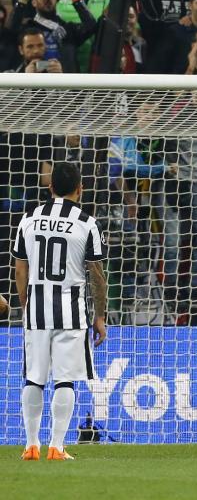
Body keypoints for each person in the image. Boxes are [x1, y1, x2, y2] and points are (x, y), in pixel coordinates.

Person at [12, 162, 108, 461]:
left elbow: (20, 265)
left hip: (37, 310)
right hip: (71, 311)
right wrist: (101, 316)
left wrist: (25, 302)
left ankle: (30, 445)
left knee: (34, 378)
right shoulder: (87, 223)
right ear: (80, 188)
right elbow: (96, 273)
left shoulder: (29, 218)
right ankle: (56, 446)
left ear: (50, 186)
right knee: (65, 380)